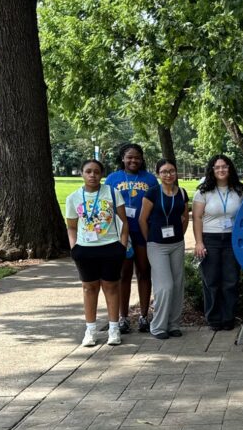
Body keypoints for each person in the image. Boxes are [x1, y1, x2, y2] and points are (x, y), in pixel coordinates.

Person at [65, 159, 128, 347]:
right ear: (82, 174)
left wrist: (122, 246)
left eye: (96, 172)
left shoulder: (112, 193)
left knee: (111, 287)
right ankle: (90, 330)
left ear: (102, 174)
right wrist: (74, 248)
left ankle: (114, 329)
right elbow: (71, 227)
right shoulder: (73, 198)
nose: (92, 175)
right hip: (85, 250)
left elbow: (124, 222)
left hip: (110, 247)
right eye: (88, 171)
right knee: (89, 288)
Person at [106, 143, 158, 333]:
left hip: (143, 231)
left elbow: (156, 204)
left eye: (137, 157)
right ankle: (123, 317)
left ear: (142, 159)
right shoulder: (113, 178)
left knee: (144, 272)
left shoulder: (150, 179)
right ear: (122, 158)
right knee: (124, 275)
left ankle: (144, 316)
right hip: (122, 233)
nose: (133, 160)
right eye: (129, 157)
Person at [193, 155, 243, 331]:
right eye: (217, 167)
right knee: (211, 281)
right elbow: (197, 218)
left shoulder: (239, 190)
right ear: (212, 170)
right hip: (210, 239)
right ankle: (214, 319)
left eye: (224, 167)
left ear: (230, 169)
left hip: (233, 239)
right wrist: (199, 242)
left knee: (231, 280)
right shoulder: (203, 191)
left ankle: (228, 317)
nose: (221, 170)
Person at [139, 160, 190, 341]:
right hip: (157, 245)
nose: (168, 174)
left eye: (171, 171)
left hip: (177, 244)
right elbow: (142, 220)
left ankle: (173, 324)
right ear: (158, 174)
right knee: (164, 286)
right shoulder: (152, 193)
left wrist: (180, 236)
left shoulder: (182, 193)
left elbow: (185, 217)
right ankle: (158, 326)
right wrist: (150, 240)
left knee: (177, 285)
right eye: (164, 172)